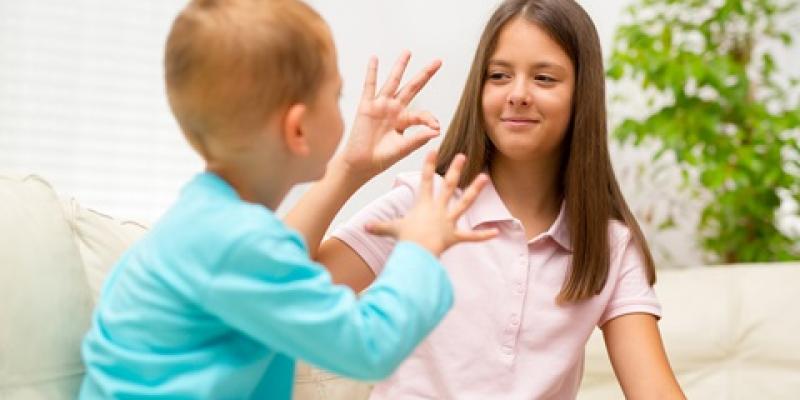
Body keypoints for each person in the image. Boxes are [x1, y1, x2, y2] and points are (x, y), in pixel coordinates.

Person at [79, 0, 496, 398]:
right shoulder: (238, 245)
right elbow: (370, 347)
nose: (345, 112)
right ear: (298, 130)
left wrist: (350, 167)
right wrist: (419, 249)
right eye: (337, 97)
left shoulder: (208, 221)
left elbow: (282, 259)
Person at [292, 0, 687, 398]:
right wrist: (349, 169)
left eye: (544, 79)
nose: (517, 94)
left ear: (581, 94)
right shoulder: (425, 203)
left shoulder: (608, 246)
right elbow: (271, 277)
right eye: (499, 75)